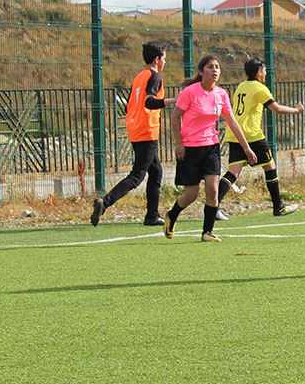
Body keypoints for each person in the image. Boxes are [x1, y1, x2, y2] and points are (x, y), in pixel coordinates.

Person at [163, 55, 257, 243]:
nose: (215, 70)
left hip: (211, 148)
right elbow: (175, 117)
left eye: (217, 67)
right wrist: (178, 143)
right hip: (190, 149)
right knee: (190, 195)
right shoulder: (190, 92)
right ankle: (172, 215)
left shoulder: (221, 94)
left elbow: (232, 122)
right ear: (201, 72)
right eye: (210, 67)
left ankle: (207, 232)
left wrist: (246, 148)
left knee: (213, 191)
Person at [91, 41, 175, 227]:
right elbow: (149, 103)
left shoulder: (139, 77)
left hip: (135, 128)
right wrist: (174, 100)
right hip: (147, 129)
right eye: (164, 59)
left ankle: (152, 215)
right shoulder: (154, 77)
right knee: (137, 175)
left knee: (156, 171)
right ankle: (105, 202)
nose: (165, 63)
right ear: (157, 59)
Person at [215, 57, 304, 218]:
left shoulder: (242, 86)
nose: (266, 73)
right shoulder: (259, 88)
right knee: (270, 167)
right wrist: (296, 110)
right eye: (264, 70)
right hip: (252, 134)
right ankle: (279, 207)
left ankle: (213, 207)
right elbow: (276, 108)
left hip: (235, 133)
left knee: (233, 172)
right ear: (259, 72)